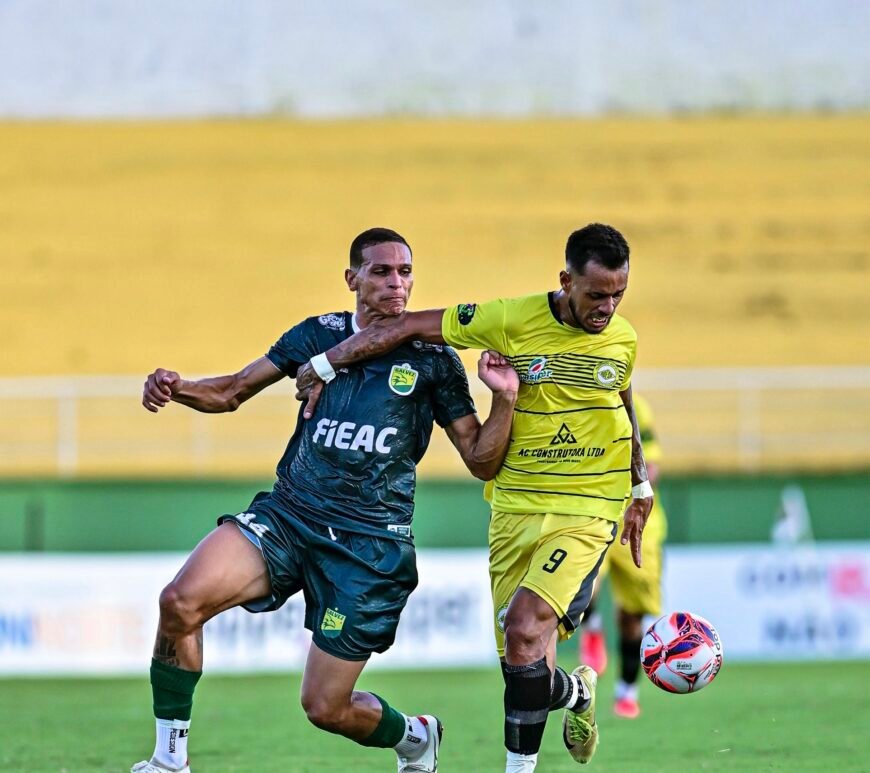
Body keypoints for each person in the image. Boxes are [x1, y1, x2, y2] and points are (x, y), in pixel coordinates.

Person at [133, 227, 520, 773]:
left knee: (325, 707)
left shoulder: (433, 359)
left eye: (405, 272)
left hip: (368, 545)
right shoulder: (318, 335)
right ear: (352, 278)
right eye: (381, 271)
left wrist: (504, 399)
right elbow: (232, 391)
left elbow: (481, 459)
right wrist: (178, 388)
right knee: (179, 602)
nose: (396, 283)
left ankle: (416, 737)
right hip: (290, 517)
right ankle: (168, 760)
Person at [294, 223, 654, 772]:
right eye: (596, 295)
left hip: (587, 508)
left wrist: (640, 483)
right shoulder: (508, 318)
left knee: (526, 628)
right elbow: (405, 326)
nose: (607, 308)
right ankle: (577, 692)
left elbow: (622, 397)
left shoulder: (622, 337)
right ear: (566, 281)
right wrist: (325, 364)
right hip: (514, 508)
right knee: (522, 661)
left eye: (618, 295)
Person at [579, 392, 667, 719]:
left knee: (632, 616)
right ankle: (592, 629)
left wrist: (631, 483)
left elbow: (651, 465)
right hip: (593, 511)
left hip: (639, 518)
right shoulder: (573, 398)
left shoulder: (635, 406)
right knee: (582, 584)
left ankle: (626, 693)